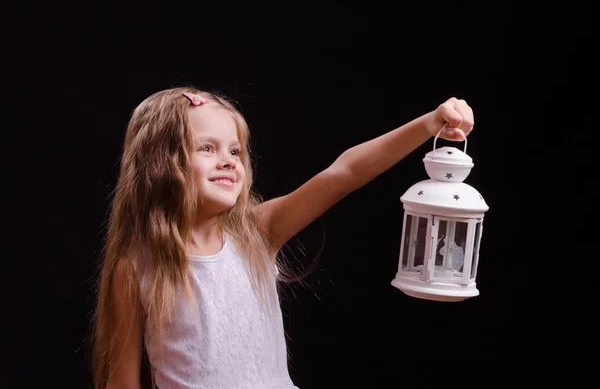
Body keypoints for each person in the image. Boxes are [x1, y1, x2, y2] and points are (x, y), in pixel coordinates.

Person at [91, 86, 474, 389]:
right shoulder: (137, 267)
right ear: (161, 165)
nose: (228, 160)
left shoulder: (257, 233)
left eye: (235, 151)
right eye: (206, 148)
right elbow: (121, 381)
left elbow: (344, 174)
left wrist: (427, 125)